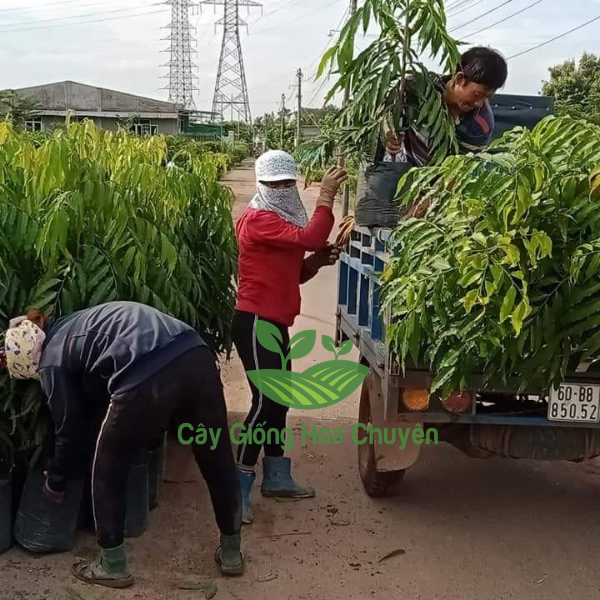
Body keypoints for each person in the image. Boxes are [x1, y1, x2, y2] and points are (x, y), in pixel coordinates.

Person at [0, 301, 243, 589]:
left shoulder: (51, 360)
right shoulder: (70, 324)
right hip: (195, 355)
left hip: (147, 374)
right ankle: (231, 552)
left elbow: (70, 431)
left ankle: (112, 565)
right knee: (216, 456)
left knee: (107, 467)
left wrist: (56, 479)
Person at [232, 150, 346, 525]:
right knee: (266, 401)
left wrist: (316, 262)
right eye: (275, 184)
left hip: (273, 323)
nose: (282, 189)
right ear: (262, 186)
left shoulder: (278, 222)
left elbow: (294, 274)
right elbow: (312, 236)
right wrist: (326, 195)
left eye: (287, 183)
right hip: (254, 321)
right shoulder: (258, 219)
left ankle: (276, 476)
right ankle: (238, 486)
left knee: (279, 400)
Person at [354, 46, 508, 228]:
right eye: (478, 95)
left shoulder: (481, 123)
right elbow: (377, 118)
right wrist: (387, 132)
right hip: (392, 166)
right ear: (459, 79)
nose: (479, 103)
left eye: (487, 97)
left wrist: (420, 210)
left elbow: (456, 172)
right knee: (373, 220)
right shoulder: (416, 89)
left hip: (431, 182)